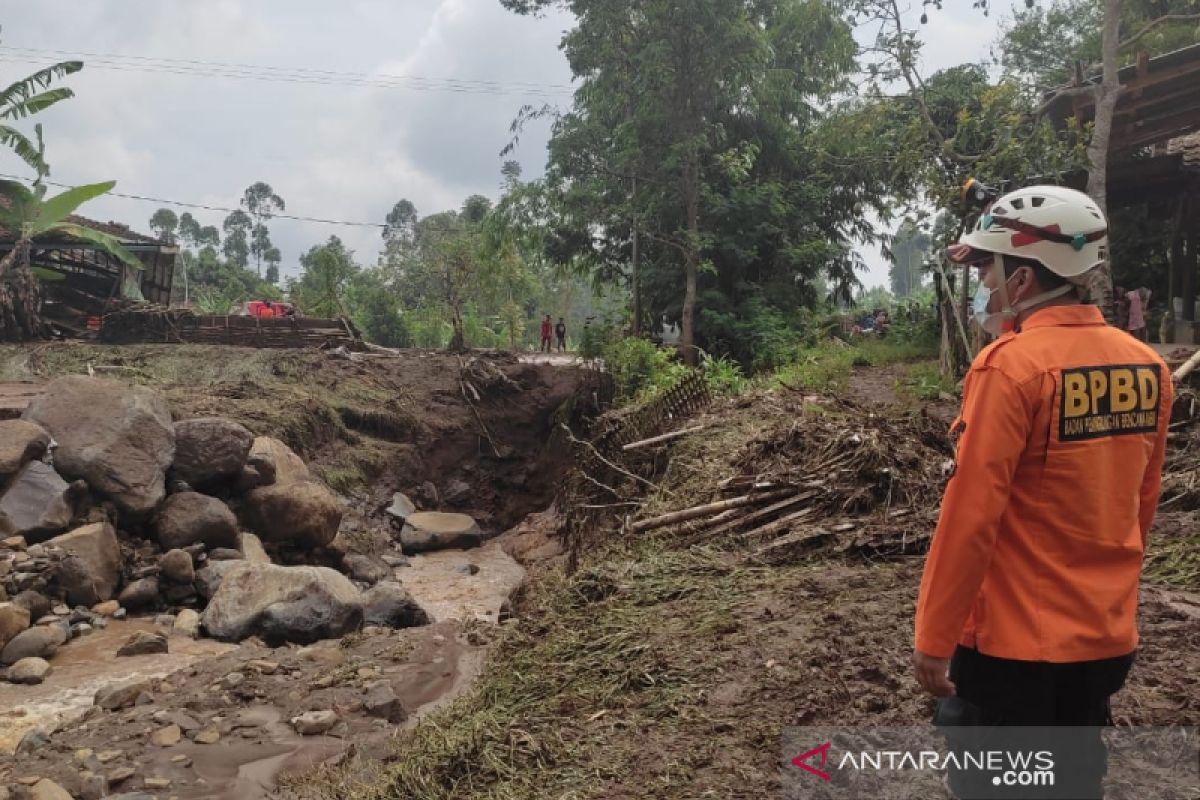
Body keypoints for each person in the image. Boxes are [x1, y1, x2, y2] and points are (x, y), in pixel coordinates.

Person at [916, 185, 1172, 799]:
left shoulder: (1011, 368)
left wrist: (933, 637)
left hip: (1014, 646)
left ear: (1024, 279)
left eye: (986, 268)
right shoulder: (1146, 367)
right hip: (1104, 640)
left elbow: (971, 517)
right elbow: (1140, 507)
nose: (982, 282)